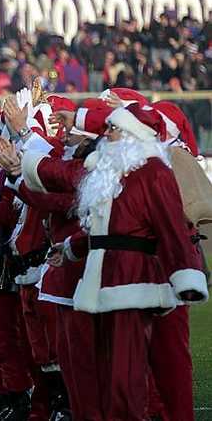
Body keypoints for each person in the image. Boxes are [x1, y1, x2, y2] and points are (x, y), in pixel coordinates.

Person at [21, 103, 208, 419]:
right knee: (108, 371)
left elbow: (170, 228)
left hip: (131, 282)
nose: (105, 135)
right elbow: (104, 227)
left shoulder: (154, 171)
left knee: (126, 375)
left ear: (134, 134)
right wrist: (71, 248)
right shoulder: (114, 171)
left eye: (113, 129)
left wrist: (186, 277)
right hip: (102, 279)